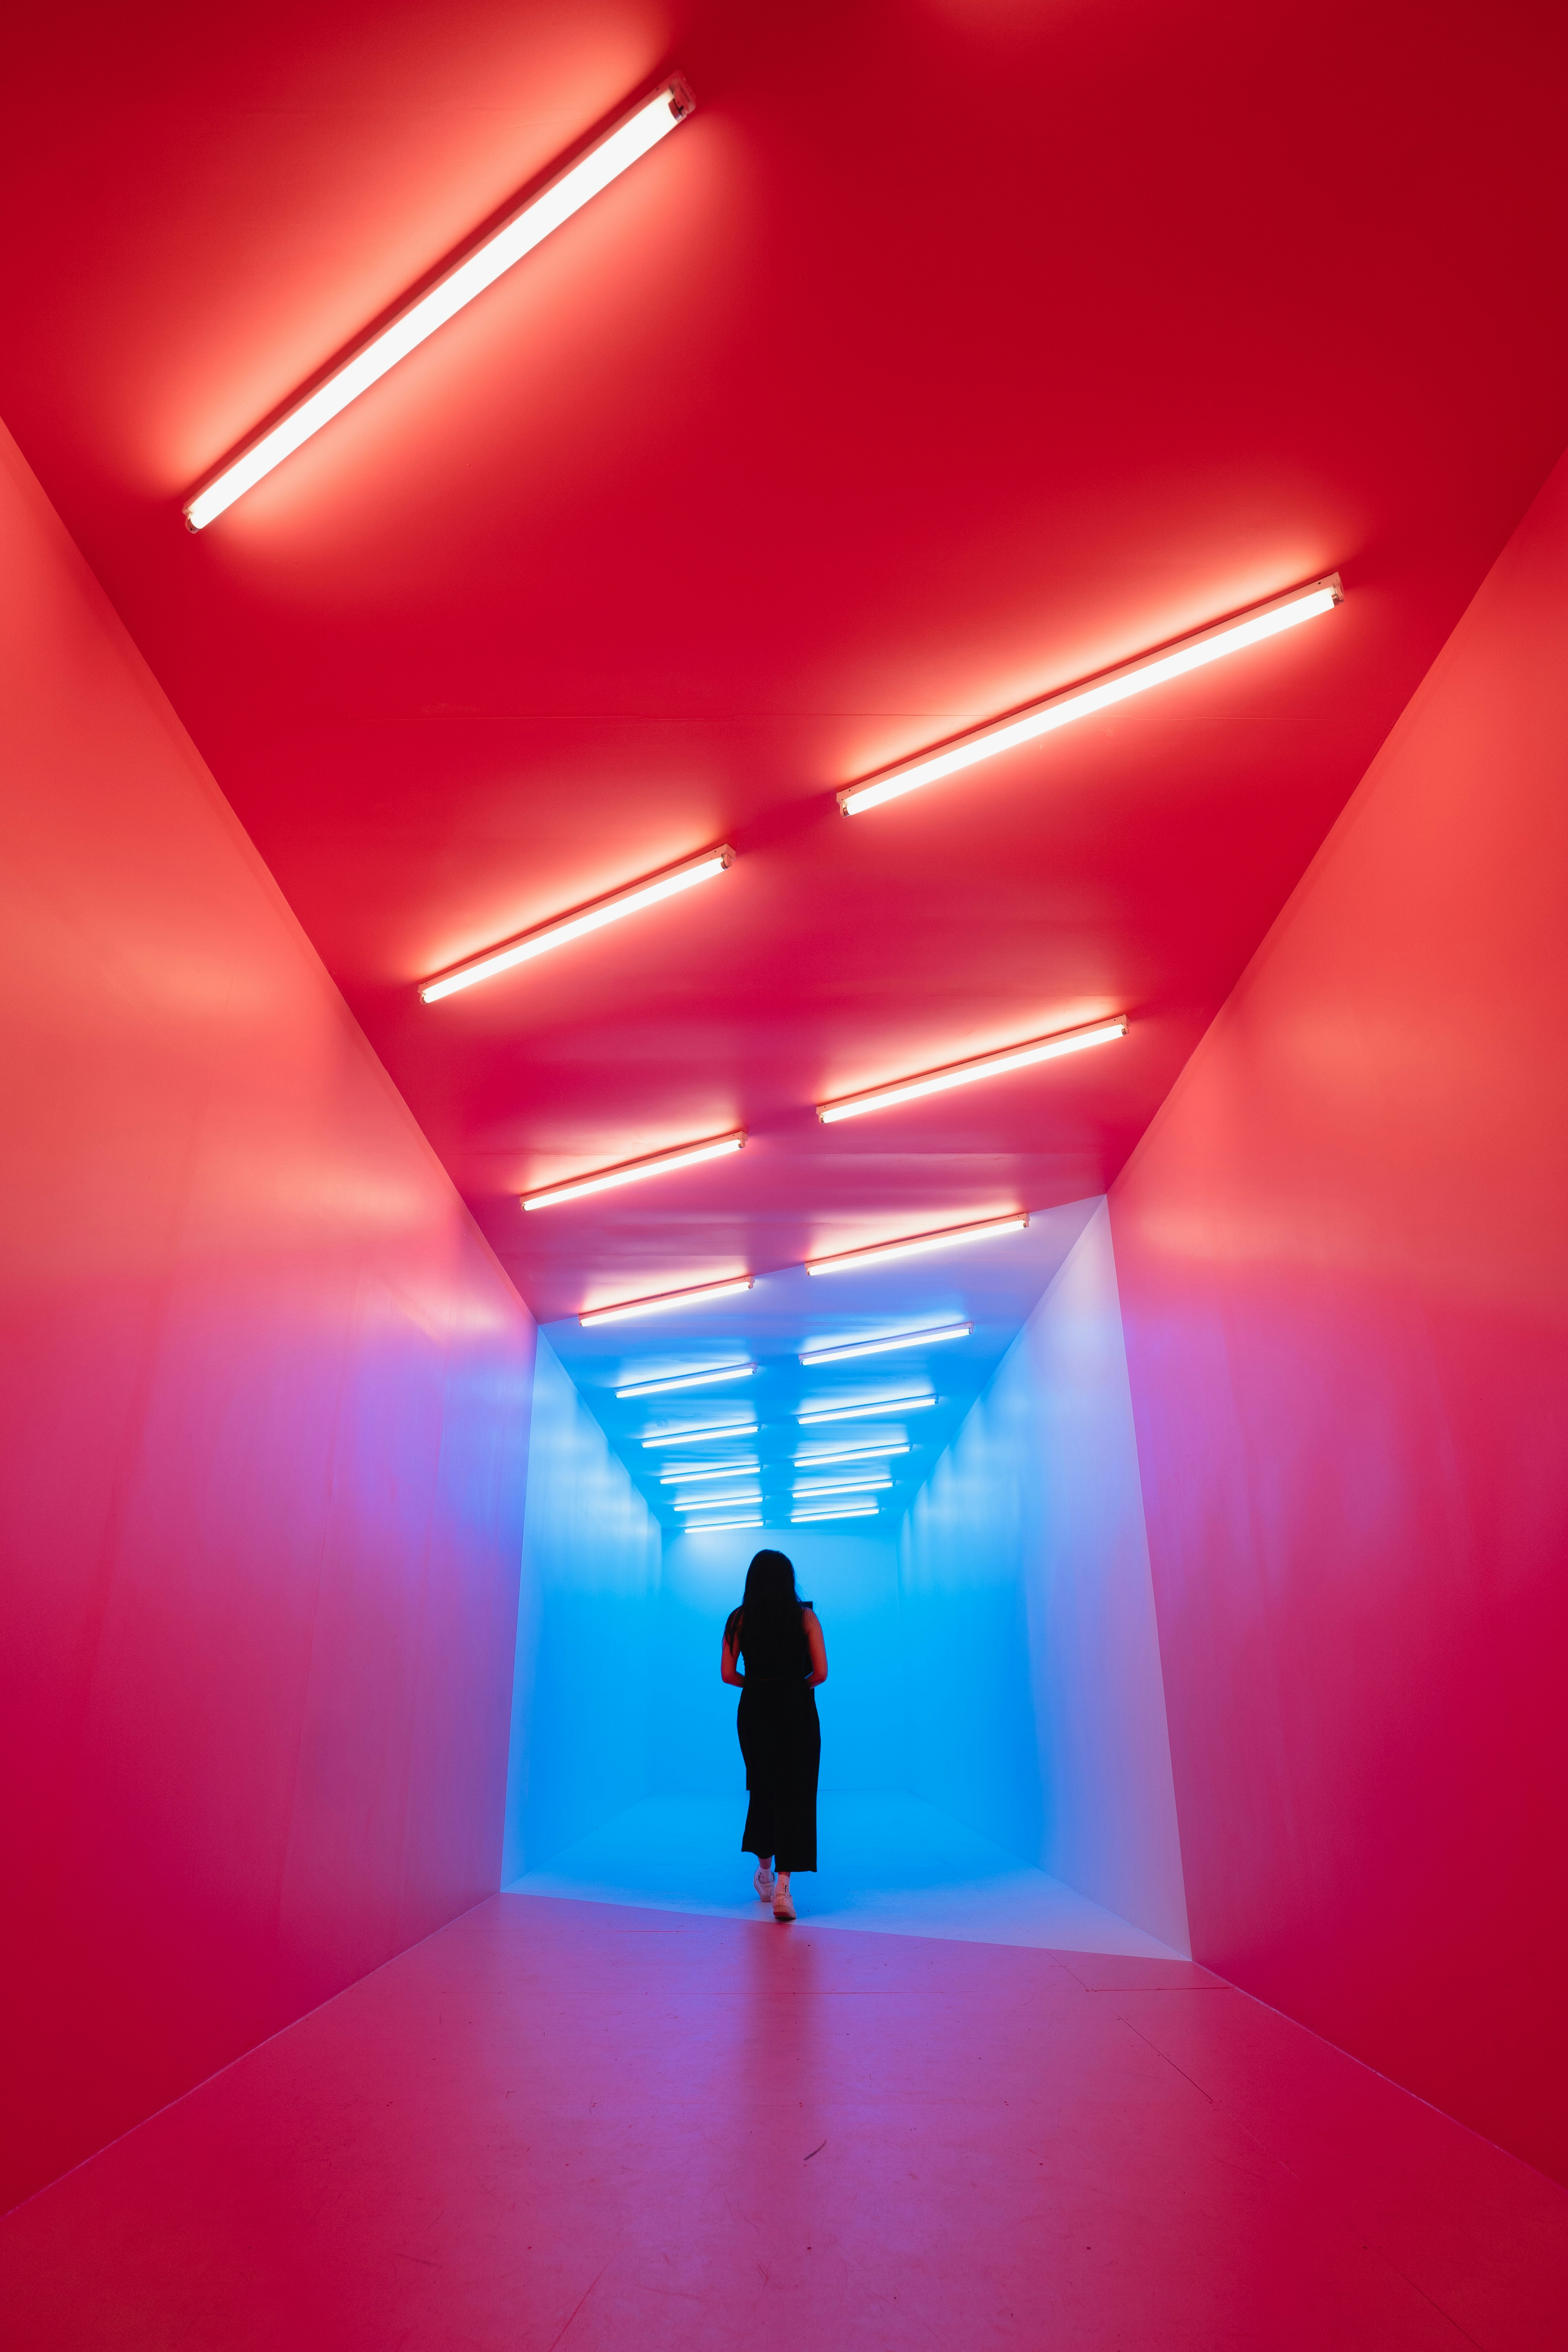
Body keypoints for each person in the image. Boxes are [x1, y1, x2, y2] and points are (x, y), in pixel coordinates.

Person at [720, 1550, 828, 1922]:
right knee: (797, 1793)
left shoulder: (739, 1618)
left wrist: (760, 1686)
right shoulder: (805, 1617)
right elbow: (821, 1673)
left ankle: (764, 1874)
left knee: (763, 1788)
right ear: (788, 1579)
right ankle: (784, 1888)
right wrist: (793, 1687)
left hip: (755, 1710)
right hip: (797, 1710)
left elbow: (728, 1675)